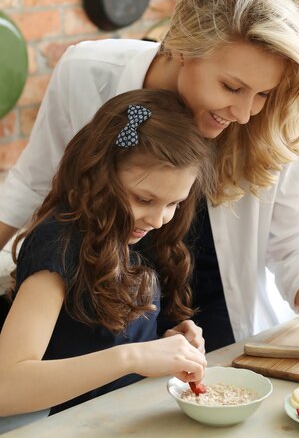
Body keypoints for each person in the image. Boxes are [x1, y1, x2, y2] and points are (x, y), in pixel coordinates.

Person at [0, 0, 299, 367]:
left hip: (223, 338)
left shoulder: (283, 119)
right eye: (232, 87)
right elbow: (32, 187)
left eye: (262, 93)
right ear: (180, 45)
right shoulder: (87, 74)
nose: (246, 113)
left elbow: (297, 247)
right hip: (113, 344)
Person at [0, 89, 212, 417]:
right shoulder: (58, 244)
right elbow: (7, 387)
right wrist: (135, 357)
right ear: (98, 176)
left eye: (174, 203)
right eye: (143, 199)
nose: (157, 220)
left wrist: (164, 343)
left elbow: (103, 341)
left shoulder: (135, 235)